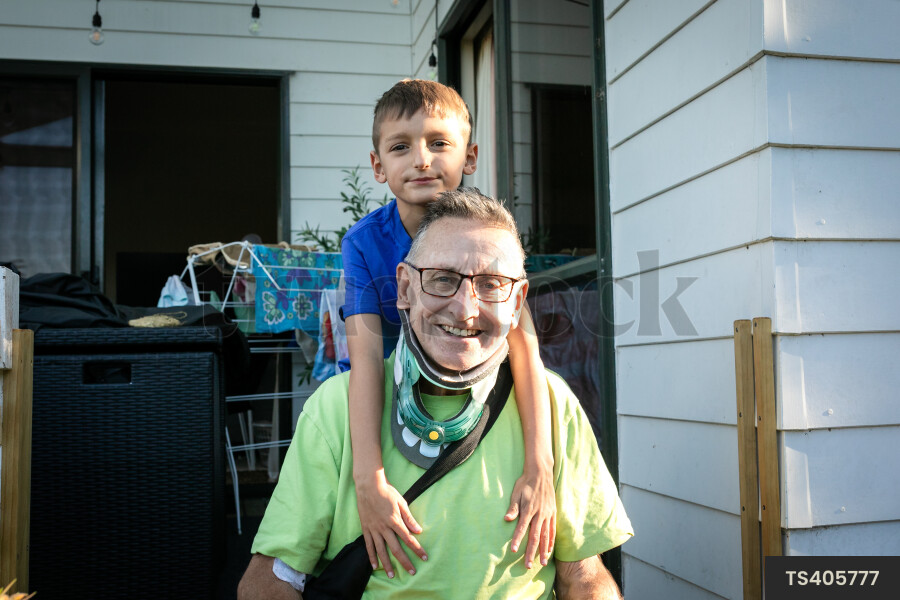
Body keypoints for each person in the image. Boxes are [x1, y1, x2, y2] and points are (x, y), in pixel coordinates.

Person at [238, 189, 633, 599]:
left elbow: (584, 577)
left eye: (492, 284)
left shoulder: (553, 403)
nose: (465, 310)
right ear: (405, 288)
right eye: (443, 279)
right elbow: (268, 581)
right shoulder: (336, 409)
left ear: (517, 303)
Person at [340, 79, 558, 577]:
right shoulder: (363, 244)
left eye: (439, 143)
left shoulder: (488, 234)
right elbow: (366, 355)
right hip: (398, 382)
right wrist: (368, 478)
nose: (421, 159)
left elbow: (525, 347)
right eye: (401, 146)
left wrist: (539, 465)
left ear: (470, 156)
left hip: (475, 382)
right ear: (378, 166)